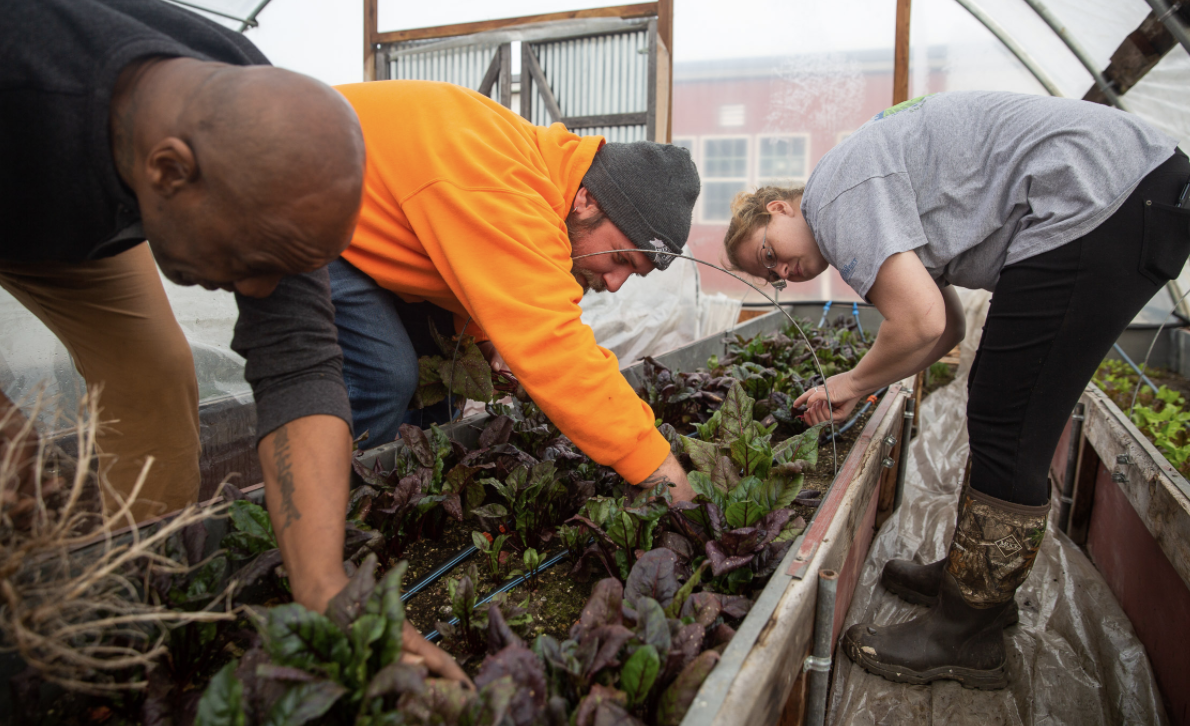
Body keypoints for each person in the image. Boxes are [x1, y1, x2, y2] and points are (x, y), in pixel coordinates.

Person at [4, 0, 467, 682]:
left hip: (74, 215)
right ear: (170, 171)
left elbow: (298, 362)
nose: (257, 294)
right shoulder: (22, 85)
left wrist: (324, 582)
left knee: (156, 376)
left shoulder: (258, 130)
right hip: (28, 164)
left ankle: (136, 609)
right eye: (255, 262)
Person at [722, 91, 1189, 689]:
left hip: (1100, 198)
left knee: (1008, 419)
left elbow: (919, 324)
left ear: (780, 207)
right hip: (1129, 189)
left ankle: (966, 633)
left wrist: (852, 380)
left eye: (769, 253)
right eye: (770, 277)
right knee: (1001, 406)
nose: (781, 273)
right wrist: (862, 385)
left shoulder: (835, 200)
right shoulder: (863, 194)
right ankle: (973, 584)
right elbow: (947, 331)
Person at [326, 80, 701, 502]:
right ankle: (325, 515)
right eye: (621, 259)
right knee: (384, 376)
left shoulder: (540, 173)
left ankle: (402, 504)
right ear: (587, 201)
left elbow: (461, 257)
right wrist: (661, 471)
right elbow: (553, 345)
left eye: (634, 275)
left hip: (364, 219)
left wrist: (483, 337)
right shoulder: (507, 190)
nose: (614, 284)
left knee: (442, 380)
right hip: (294, 200)